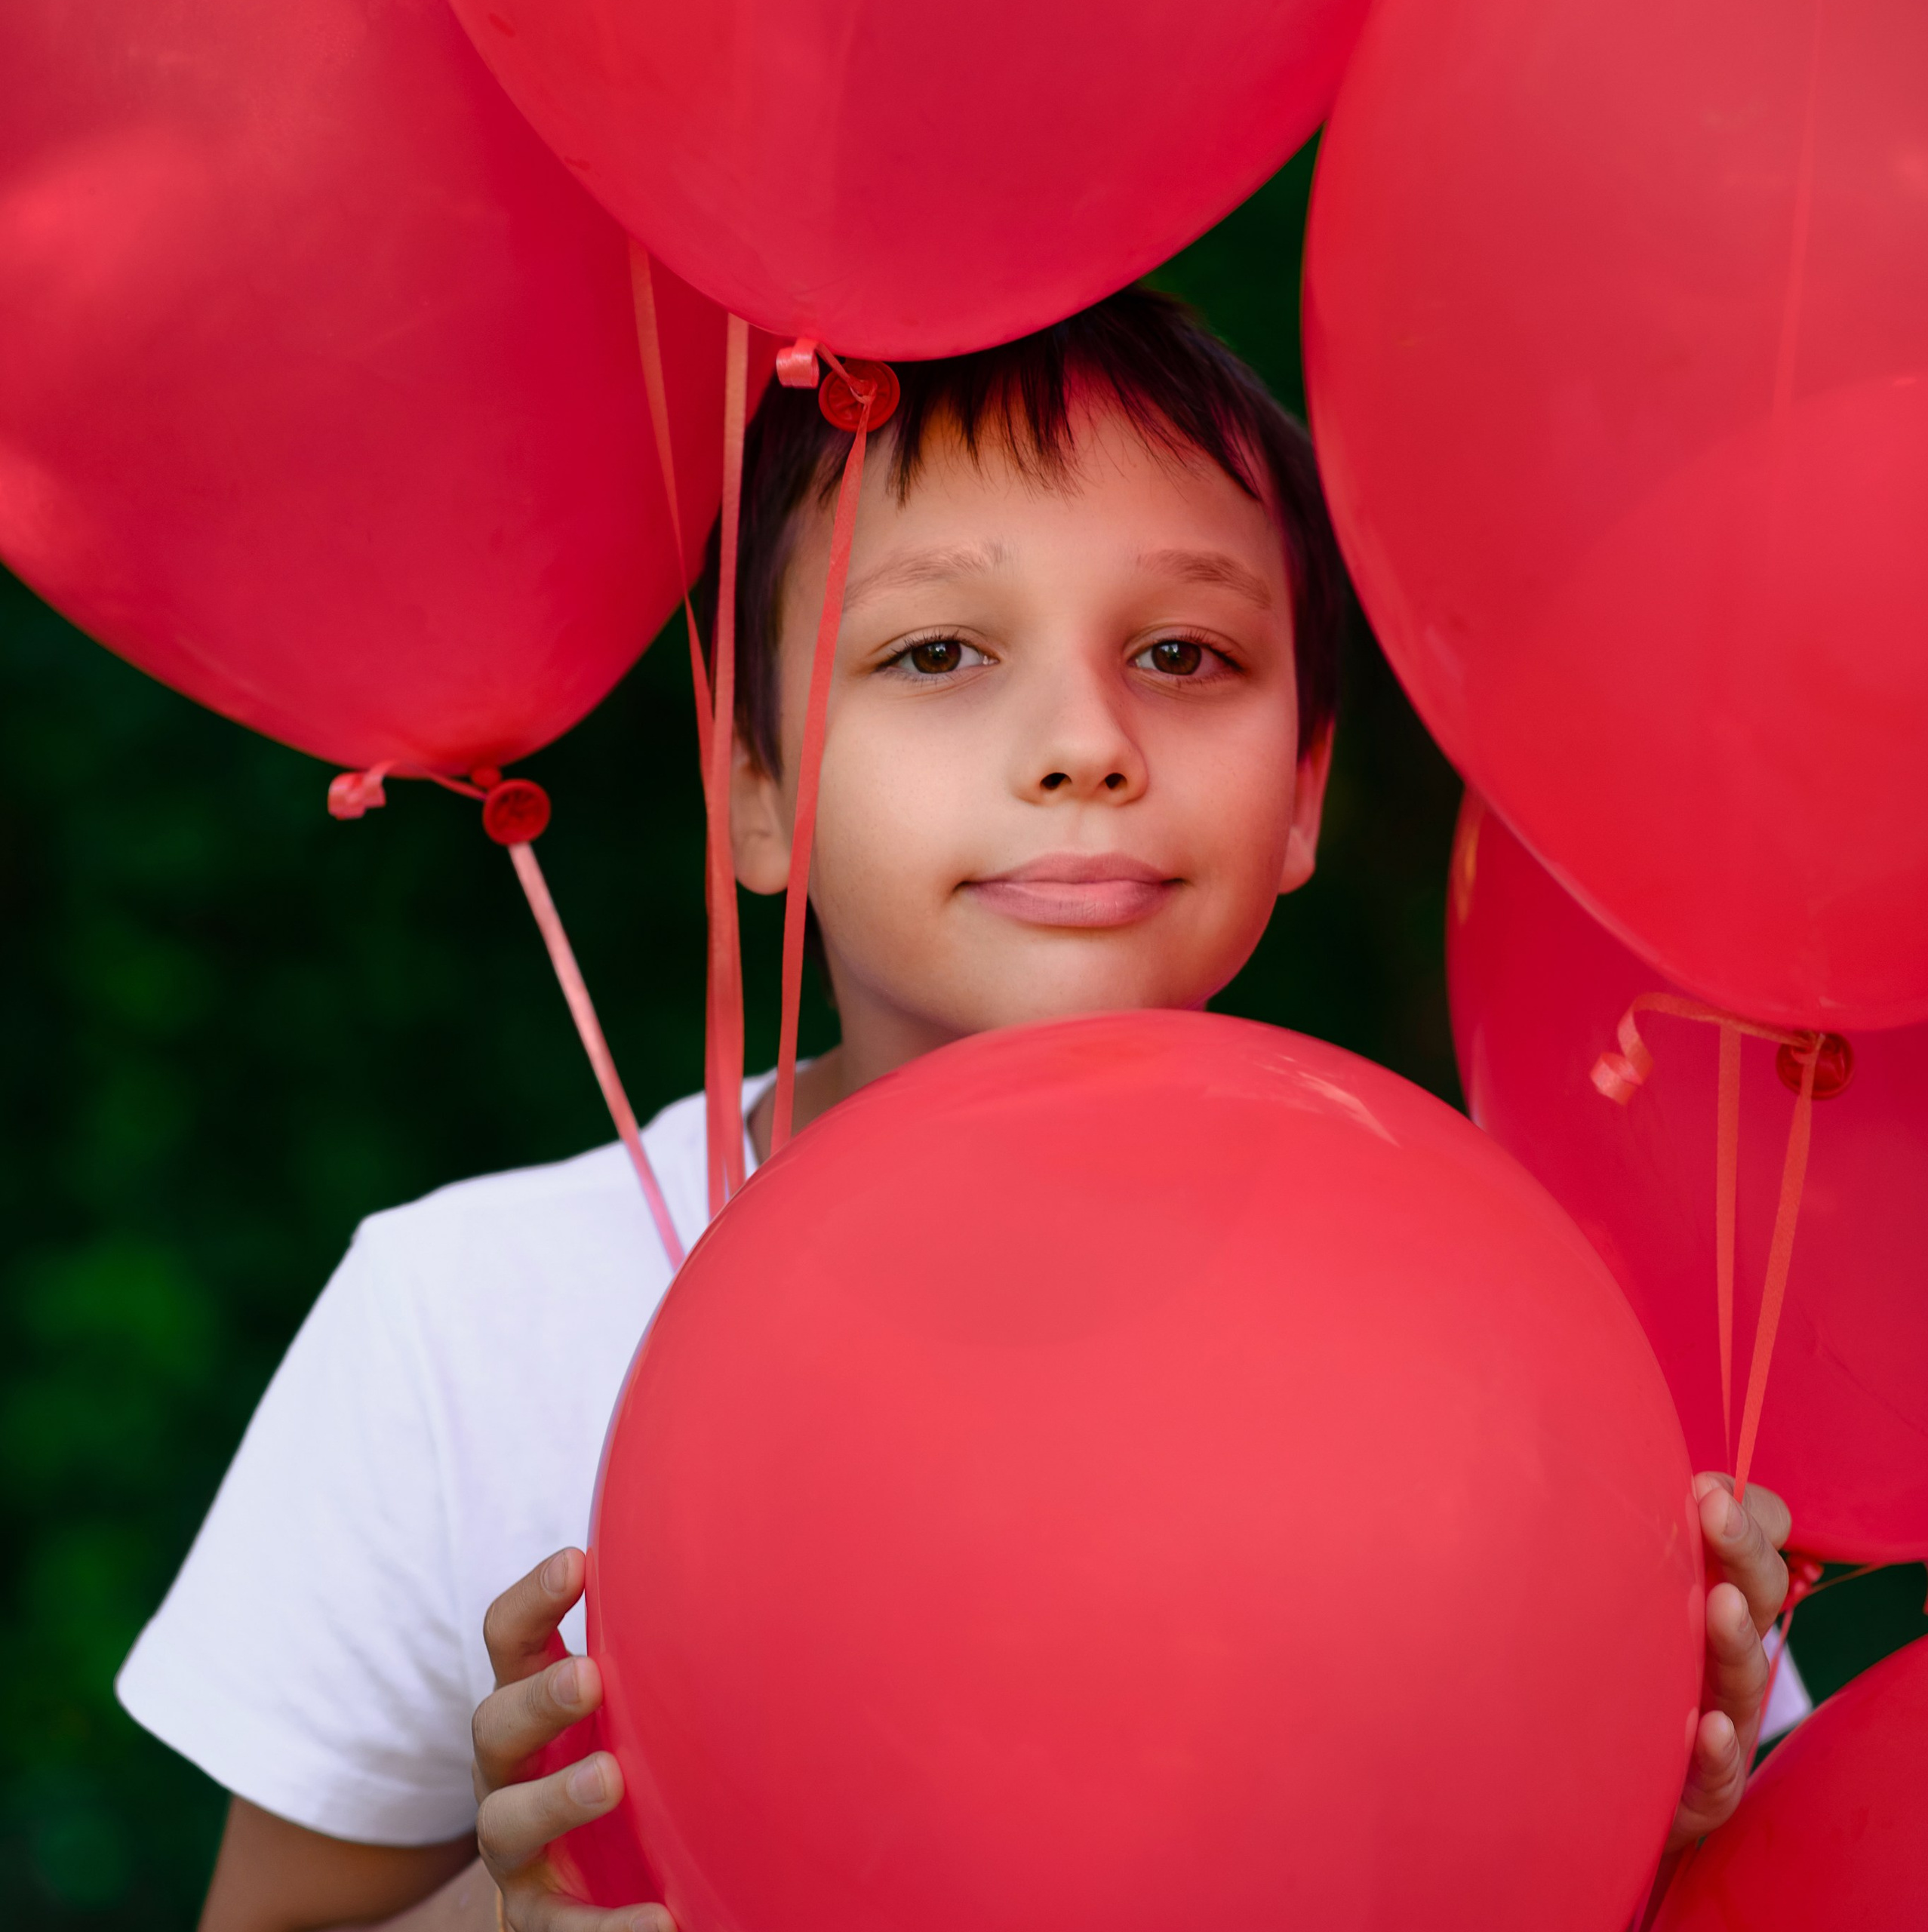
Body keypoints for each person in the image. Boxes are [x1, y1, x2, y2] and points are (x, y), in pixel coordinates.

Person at [118, 291, 1797, 1932]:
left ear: (1302, 787)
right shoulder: (464, 1323)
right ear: (750, 784)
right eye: (936, 651)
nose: (1084, 742)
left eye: (1184, 653)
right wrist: (506, 1909)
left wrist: (1652, 1815)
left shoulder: (1518, 1318)